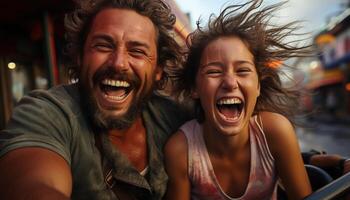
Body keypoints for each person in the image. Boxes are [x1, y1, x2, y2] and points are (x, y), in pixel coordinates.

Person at [0, 0, 189, 199]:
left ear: (158, 70)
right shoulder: (46, 114)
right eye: (103, 46)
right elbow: (32, 184)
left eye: (137, 51)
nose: (118, 64)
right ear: (81, 57)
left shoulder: (177, 119)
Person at [164, 1, 313, 200]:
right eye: (214, 71)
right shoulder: (181, 150)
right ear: (194, 89)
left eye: (243, 70)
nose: (230, 82)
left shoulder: (275, 131)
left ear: (258, 86)